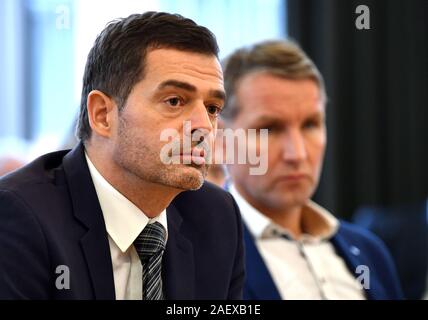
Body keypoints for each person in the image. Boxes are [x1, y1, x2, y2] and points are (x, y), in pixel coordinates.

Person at [0, 12, 244, 300]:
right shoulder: (20, 216)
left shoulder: (216, 215)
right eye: (175, 101)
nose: (204, 126)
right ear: (103, 115)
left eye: (213, 108)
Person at [221, 40, 403, 300]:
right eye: (270, 128)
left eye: (310, 124)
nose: (298, 154)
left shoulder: (370, 251)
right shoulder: (196, 256)